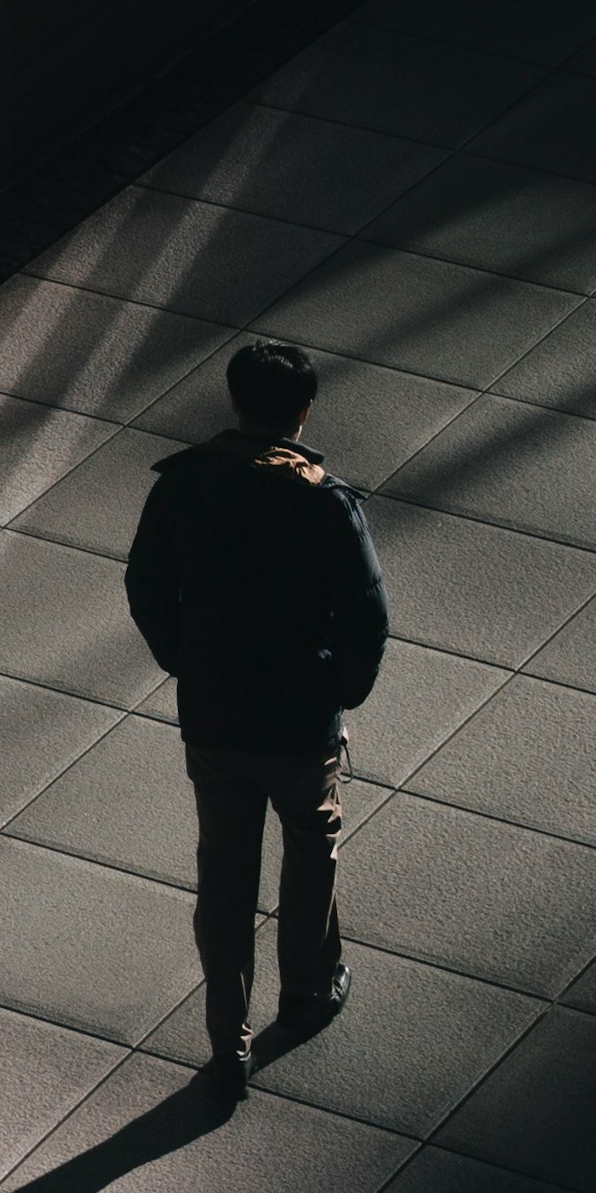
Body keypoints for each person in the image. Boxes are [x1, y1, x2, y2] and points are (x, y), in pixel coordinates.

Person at [122, 333, 388, 1082]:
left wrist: (187, 660)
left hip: (215, 716)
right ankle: (305, 990)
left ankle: (226, 1041)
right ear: (304, 411)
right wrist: (341, 689)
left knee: (225, 873)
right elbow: (366, 617)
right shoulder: (326, 504)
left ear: (235, 402)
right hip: (301, 719)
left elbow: (146, 586)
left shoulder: (181, 485)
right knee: (312, 848)